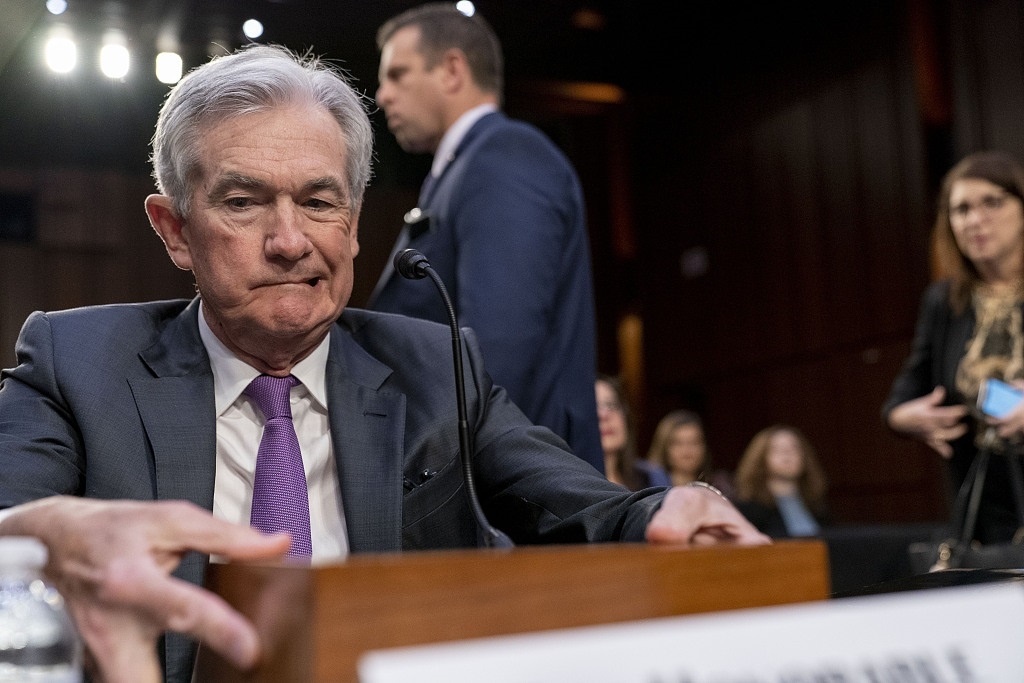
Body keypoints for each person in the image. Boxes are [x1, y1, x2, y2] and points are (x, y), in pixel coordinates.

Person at [0, 44, 769, 683]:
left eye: (319, 202)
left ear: (355, 223)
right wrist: (36, 534)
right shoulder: (77, 363)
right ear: (175, 229)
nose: (290, 241)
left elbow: (590, 511)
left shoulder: (435, 367)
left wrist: (676, 507)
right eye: (243, 202)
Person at [368, 3, 603, 471]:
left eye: (397, 74)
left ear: (452, 70)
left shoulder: (503, 155)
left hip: (510, 484)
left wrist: (438, 476)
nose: (382, 95)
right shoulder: (459, 171)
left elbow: (500, 349)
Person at [884, 150, 1024, 545]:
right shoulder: (944, 302)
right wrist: (906, 418)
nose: (975, 220)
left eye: (992, 202)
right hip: (985, 514)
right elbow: (903, 396)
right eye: (961, 209)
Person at [733, 425, 829, 538]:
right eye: (777, 449)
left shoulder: (817, 506)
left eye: (794, 448)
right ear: (760, 459)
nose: (787, 454)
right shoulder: (749, 511)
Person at [595, 375, 671, 491]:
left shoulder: (652, 478)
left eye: (611, 405)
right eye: (593, 407)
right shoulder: (567, 487)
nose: (604, 415)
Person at [645, 409, 736, 498]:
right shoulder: (649, 489)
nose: (687, 450)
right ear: (664, 447)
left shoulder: (719, 488)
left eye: (694, 442)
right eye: (678, 443)